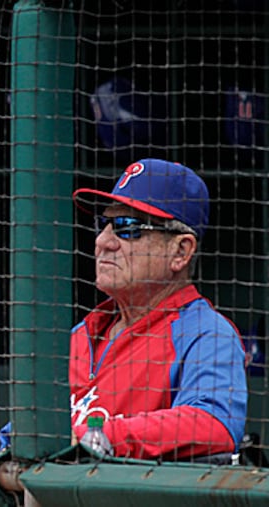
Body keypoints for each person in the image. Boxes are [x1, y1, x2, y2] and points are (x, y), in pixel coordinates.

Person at [69, 158, 247, 460]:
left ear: (180, 251)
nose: (103, 242)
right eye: (104, 224)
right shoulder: (80, 334)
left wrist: (98, 437)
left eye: (128, 228)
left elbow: (214, 424)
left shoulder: (206, 334)